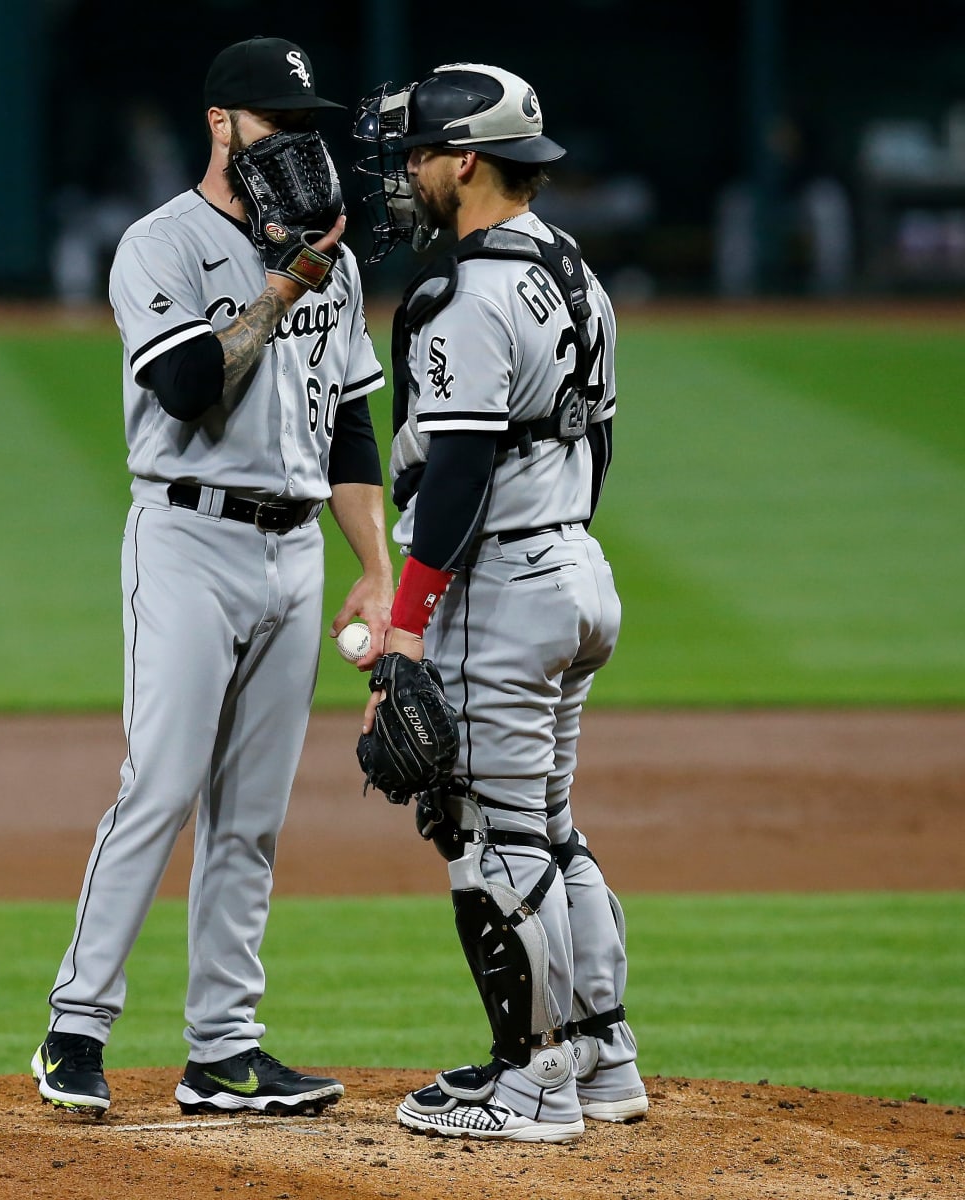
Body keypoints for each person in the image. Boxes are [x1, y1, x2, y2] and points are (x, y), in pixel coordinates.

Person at [31, 35, 392, 1117]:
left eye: (305, 126)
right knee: (163, 784)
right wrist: (286, 281)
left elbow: (351, 422)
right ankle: (75, 1030)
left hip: (294, 551)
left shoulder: (331, 254)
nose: (294, 145)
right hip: (187, 542)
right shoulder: (160, 246)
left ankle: (225, 1050)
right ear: (220, 125)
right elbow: (188, 385)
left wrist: (376, 567)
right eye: (273, 123)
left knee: (253, 814)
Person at [352, 63, 648, 1142]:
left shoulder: (468, 296)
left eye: (422, 154)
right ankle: (604, 1056)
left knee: (487, 835)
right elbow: (598, 442)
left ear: (467, 159)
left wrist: (408, 627)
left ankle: (531, 1081)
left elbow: (462, 473)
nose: (411, 172)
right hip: (576, 570)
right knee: (551, 828)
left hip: (504, 590)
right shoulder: (573, 271)